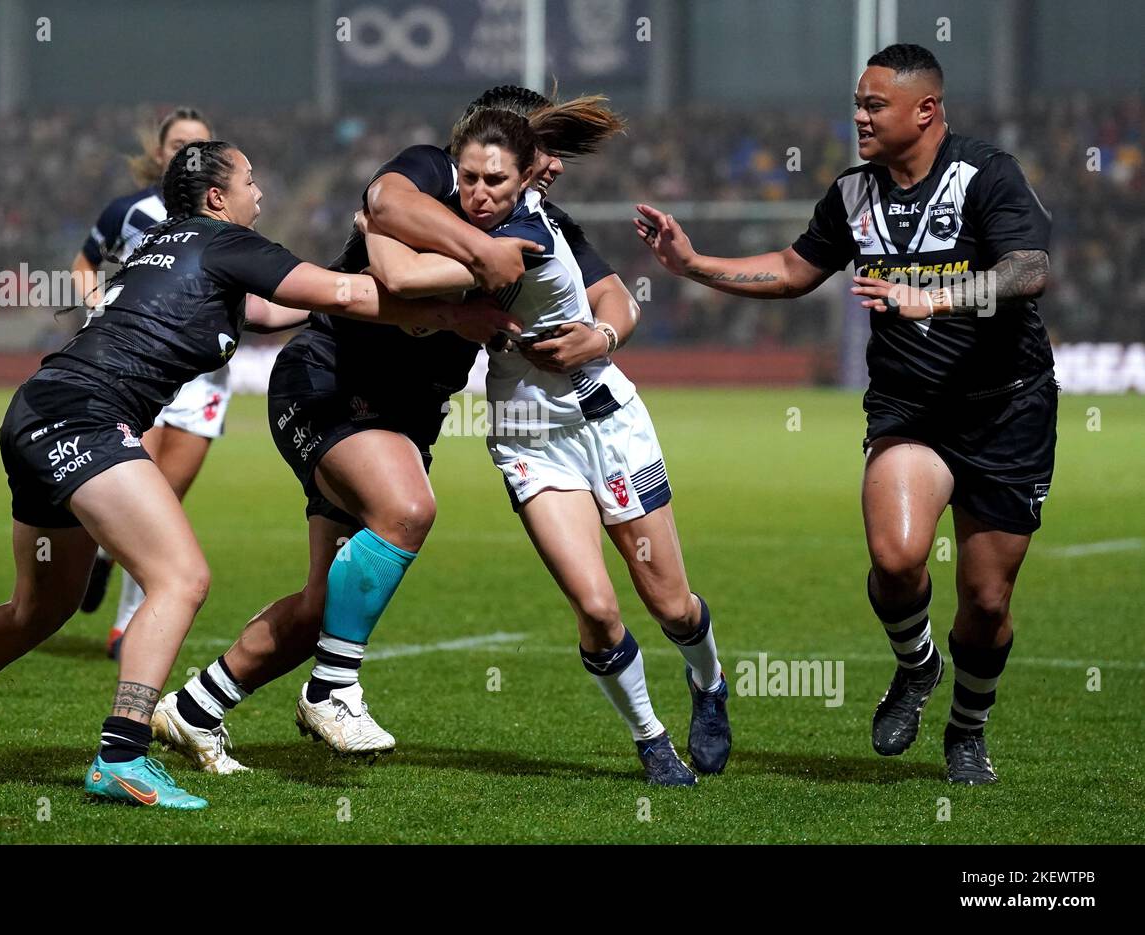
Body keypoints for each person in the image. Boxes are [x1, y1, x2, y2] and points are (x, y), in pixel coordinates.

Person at [0, 140, 510, 808]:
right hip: (85, 416)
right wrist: (446, 299)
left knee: (42, 606)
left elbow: (280, 310)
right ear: (216, 197)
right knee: (180, 577)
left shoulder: (164, 244)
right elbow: (346, 292)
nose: (261, 194)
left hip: (39, 408)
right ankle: (121, 755)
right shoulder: (230, 241)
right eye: (251, 181)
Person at [151, 87, 643, 772]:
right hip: (329, 380)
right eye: (540, 149)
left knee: (326, 602)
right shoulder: (433, 173)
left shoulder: (540, 227)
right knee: (406, 508)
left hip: (409, 411)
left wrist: (604, 333)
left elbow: (610, 290)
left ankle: (195, 707)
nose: (552, 165)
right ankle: (331, 690)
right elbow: (384, 220)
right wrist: (465, 265)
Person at [636, 44, 1056, 785]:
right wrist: (694, 265)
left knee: (987, 602)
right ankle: (916, 666)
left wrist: (939, 296)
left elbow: (1029, 270)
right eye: (857, 103)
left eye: (873, 105)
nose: (858, 116)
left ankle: (967, 728)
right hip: (911, 410)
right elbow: (797, 270)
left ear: (925, 109)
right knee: (896, 559)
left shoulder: (985, 173)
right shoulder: (852, 192)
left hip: (1007, 410)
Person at [359, 103, 731, 786]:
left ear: (526, 177)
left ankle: (708, 684)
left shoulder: (522, 237)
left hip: (606, 421)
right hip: (531, 436)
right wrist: (383, 214)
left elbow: (402, 276)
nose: (477, 194)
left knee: (672, 605)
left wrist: (369, 222)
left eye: (494, 180)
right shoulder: (485, 227)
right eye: (467, 177)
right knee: (594, 606)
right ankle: (651, 740)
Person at [70, 108, 304, 660]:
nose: (187, 151)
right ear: (159, 154)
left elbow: (253, 300)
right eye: (178, 144)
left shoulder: (229, 228)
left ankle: (119, 594)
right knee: (138, 484)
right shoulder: (130, 213)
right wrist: (98, 305)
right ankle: (121, 604)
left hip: (205, 378)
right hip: (142, 368)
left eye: (198, 143)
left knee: (165, 500)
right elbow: (85, 264)